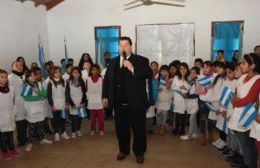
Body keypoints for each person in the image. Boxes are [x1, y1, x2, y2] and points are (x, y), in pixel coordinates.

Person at [102, 36, 151, 164]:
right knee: (121, 130)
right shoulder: (112, 62)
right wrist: (105, 96)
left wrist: (132, 68)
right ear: (118, 47)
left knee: (139, 130)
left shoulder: (141, 60)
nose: (123, 47)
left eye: (125, 45)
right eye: (120, 45)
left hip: (137, 104)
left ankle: (139, 152)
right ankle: (124, 150)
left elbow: (148, 74)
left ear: (131, 46)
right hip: (119, 104)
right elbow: (107, 81)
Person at [231, 54, 260, 168]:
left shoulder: (257, 79)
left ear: (252, 66)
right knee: (242, 142)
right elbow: (237, 90)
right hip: (239, 113)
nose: (241, 65)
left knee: (248, 144)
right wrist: (234, 98)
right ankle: (245, 161)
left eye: (244, 63)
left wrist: (236, 102)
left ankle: (249, 164)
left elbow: (250, 99)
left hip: (247, 115)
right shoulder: (244, 76)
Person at [21, 70, 53, 152]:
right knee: (32, 127)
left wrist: (39, 92)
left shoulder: (39, 84)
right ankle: (30, 143)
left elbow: (44, 94)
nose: (33, 77)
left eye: (34, 75)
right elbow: (25, 97)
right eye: (30, 76)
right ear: (27, 77)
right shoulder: (26, 86)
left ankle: (42, 139)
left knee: (40, 124)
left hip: (40, 107)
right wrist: (39, 97)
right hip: (31, 108)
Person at [0, 69, 20, 160]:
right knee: (2, 135)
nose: (4, 79)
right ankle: (4, 151)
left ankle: (12, 149)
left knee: (10, 133)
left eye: (5, 77)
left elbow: (13, 101)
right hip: (1, 115)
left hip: (10, 113)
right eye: (1, 77)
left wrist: (14, 112)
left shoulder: (11, 88)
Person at [47, 67, 70, 142]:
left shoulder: (65, 81)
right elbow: (49, 95)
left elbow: (67, 93)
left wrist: (66, 102)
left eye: (59, 72)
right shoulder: (50, 82)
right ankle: (56, 133)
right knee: (55, 120)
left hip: (63, 103)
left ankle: (63, 132)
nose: (58, 73)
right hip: (55, 104)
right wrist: (52, 105)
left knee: (62, 119)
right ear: (53, 73)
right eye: (56, 72)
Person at [8, 61, 27, 147]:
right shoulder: (10, 78)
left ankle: (26, 138)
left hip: (26, 102)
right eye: (17, 65)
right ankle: (21, 140)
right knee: (20, 123)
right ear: (12, 67)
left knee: (26, 122)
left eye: (21, 65)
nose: (19, 67)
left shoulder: (24, 76)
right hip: (17, 103)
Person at [65, 67, 86, 138]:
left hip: (80, 102)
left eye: (77, 72)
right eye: (74, 72)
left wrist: (83, 102)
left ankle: (78, 130)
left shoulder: (82, 81)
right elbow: (67, 93)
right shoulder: (69, 82)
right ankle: (73, 131)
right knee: (73, 118)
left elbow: (84, 93)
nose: (76, 74)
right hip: (72, 102)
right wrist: (72, 104)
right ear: (71, 74)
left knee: (79, 117)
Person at [180, 67, 200, 140]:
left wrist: (187, 95)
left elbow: (198, 94)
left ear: (197, 74)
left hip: (195, 102)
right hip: (189, 102)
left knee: (191, 119)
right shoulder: (190, 81)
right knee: (193, 119)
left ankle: (189, 135)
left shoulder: (198, 82)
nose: (192, 74)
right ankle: (194, 132)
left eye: (194, 73)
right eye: (191, 73)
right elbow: (188, 90)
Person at [171, 63, 190, 136]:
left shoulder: (188, 77)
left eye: (184, 68)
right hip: (178, 98)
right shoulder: (176, 77)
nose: (183, 70)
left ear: (187, 69)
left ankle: (182, 129)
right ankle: (176, 129)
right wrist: (184, 92)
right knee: (178, 115)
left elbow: (189, 88)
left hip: (186, 99)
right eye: (181, 68)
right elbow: (181, 87)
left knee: (184, 115)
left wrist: (185, 90)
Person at [86, 64, 104, 135]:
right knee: (92, 118)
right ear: (91, 71)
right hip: (91, 101)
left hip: (99, 100)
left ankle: (101, 129)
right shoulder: (88, 79)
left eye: (96, 69)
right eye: (93, 69)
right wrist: (88, 99)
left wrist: (103, 99)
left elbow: (103, 90)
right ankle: (92, 129)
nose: (95, 71)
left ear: (98, 71)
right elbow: (86, 90)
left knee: (100, 118)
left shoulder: (101, 79)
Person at [155, 65, 172, 135]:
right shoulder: (158, 78)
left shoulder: (171, 79)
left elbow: (168, 87)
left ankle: (163, 127)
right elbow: (156, 88)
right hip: (159, 100)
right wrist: (158, 89)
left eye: (165, 71)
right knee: (158, 114)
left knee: (165, 115)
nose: (164, 72)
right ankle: (158, 126)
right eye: (162, 71)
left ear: (168, 72)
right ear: (160, 71)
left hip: (167, 100)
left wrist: (167, 78)